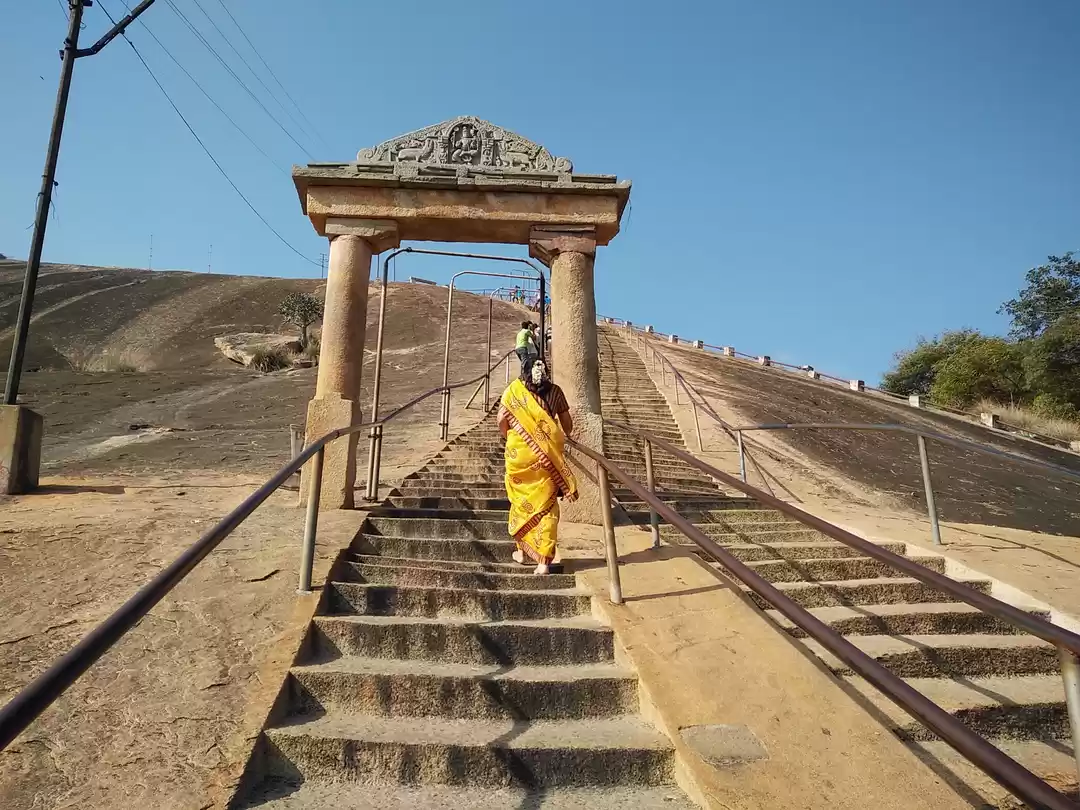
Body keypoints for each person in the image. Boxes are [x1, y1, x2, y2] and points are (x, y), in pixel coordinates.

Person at [498, 358, 577, 575]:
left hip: (518, 457)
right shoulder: (557, 392)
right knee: (547, 506)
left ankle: (522, 552)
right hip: (546, 458)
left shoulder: (513, 392)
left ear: (524, 373)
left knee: (520, 502)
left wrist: (516, 439)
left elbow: (501, 421)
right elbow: (568, 427)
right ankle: (543, 562)